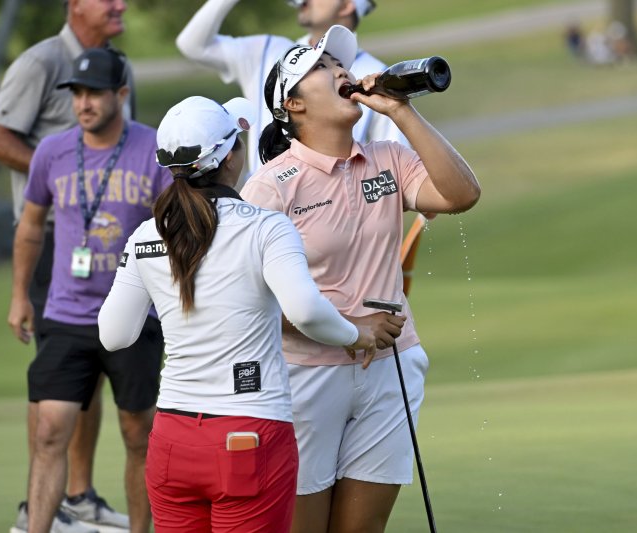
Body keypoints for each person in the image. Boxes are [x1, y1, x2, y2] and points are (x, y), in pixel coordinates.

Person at [97, 94, 378, 533]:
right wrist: (356, 334)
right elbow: (305, 311)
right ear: (232, 156)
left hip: (172, 438)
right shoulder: (266, 227)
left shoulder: (147, 235)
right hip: (249, 432)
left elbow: (114, 334)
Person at [241, 25, 481, 533]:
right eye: (323, 68)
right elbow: (248, 305)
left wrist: (401, 111)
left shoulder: (388, 159)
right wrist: (352, 326)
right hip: (304, 376)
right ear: (293, 105)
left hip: (391, 366)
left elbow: (461, 195)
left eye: (341, 65)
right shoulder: (270, 187)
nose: (342, 72)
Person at [0, 1, 135, 530]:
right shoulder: (41, 62)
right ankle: (38, 509)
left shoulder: (116, 63)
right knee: (59, 372)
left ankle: (78, 496)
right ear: (75, 6)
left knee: (91, 375)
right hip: (54, 236)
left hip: (117, 244)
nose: (119, 4)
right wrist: (72, 174)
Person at [7, 47, 169, 533]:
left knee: (138, 433)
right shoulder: (51, 152)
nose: (84, 103)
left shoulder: (154, 149)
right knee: (51, 429)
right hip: (67, 314)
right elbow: (31, 226)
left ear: (121, 94)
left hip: (136, 316)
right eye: (77, 93)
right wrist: (19, 295)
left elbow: (176, 231)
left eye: (94, 92)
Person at [176, 0, 406, 177]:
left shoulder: (376, 73)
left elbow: (394, 168)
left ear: (346, 5)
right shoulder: (266, 49)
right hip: (264, 210)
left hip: (335, 216)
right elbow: (192, 45)